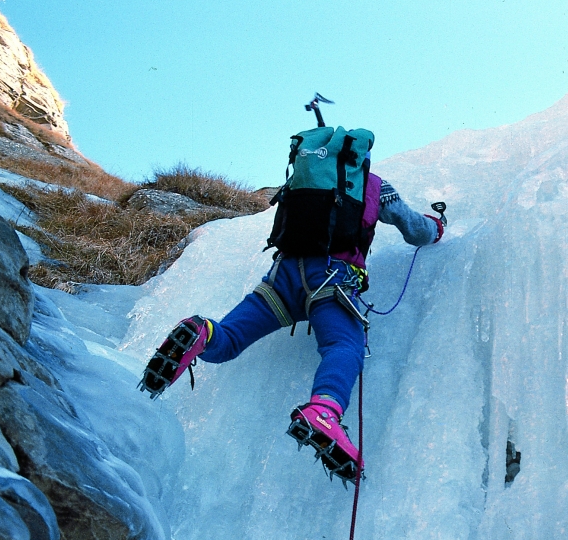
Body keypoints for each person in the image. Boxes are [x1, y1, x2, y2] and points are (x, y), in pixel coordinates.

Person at [139, 167, 443, 482]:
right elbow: (416, 231)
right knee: (343, 345)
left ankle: (200, 331)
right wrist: (437, 225)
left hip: (281, 279)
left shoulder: (305, 179)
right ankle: (324, 411)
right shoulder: (375, 186)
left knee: (227, 341)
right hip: (330, 280)